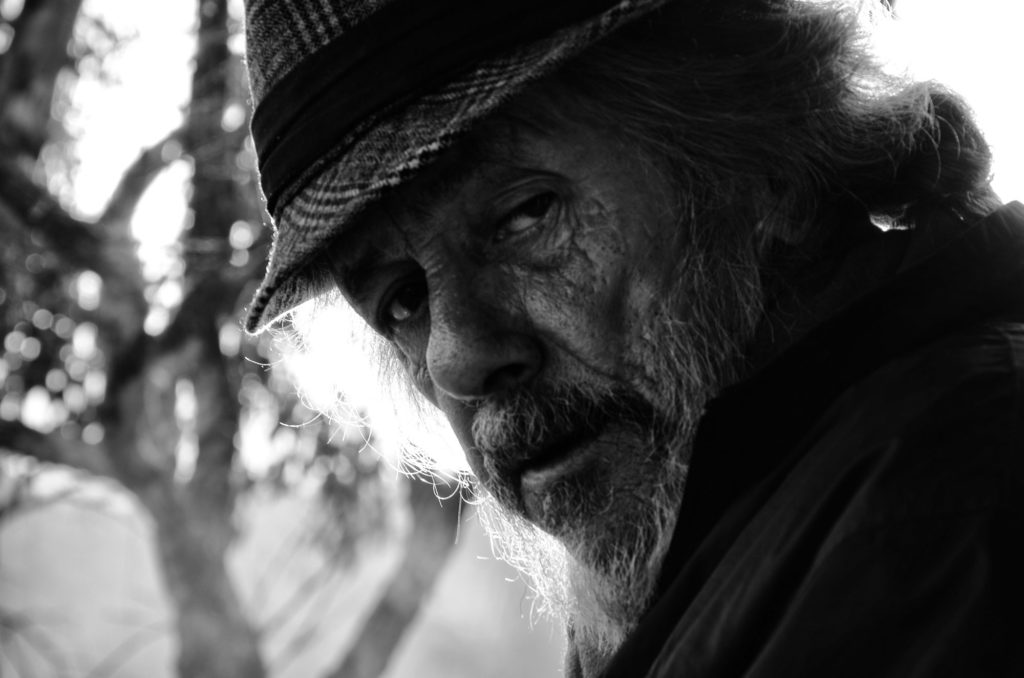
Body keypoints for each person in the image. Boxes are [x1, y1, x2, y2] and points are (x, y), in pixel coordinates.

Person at [242, 0, 1024, 675]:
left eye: (526, 215)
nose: (459, 357)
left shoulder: (934, 519)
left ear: (768, 152)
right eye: (403, 301)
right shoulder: (777, 525)